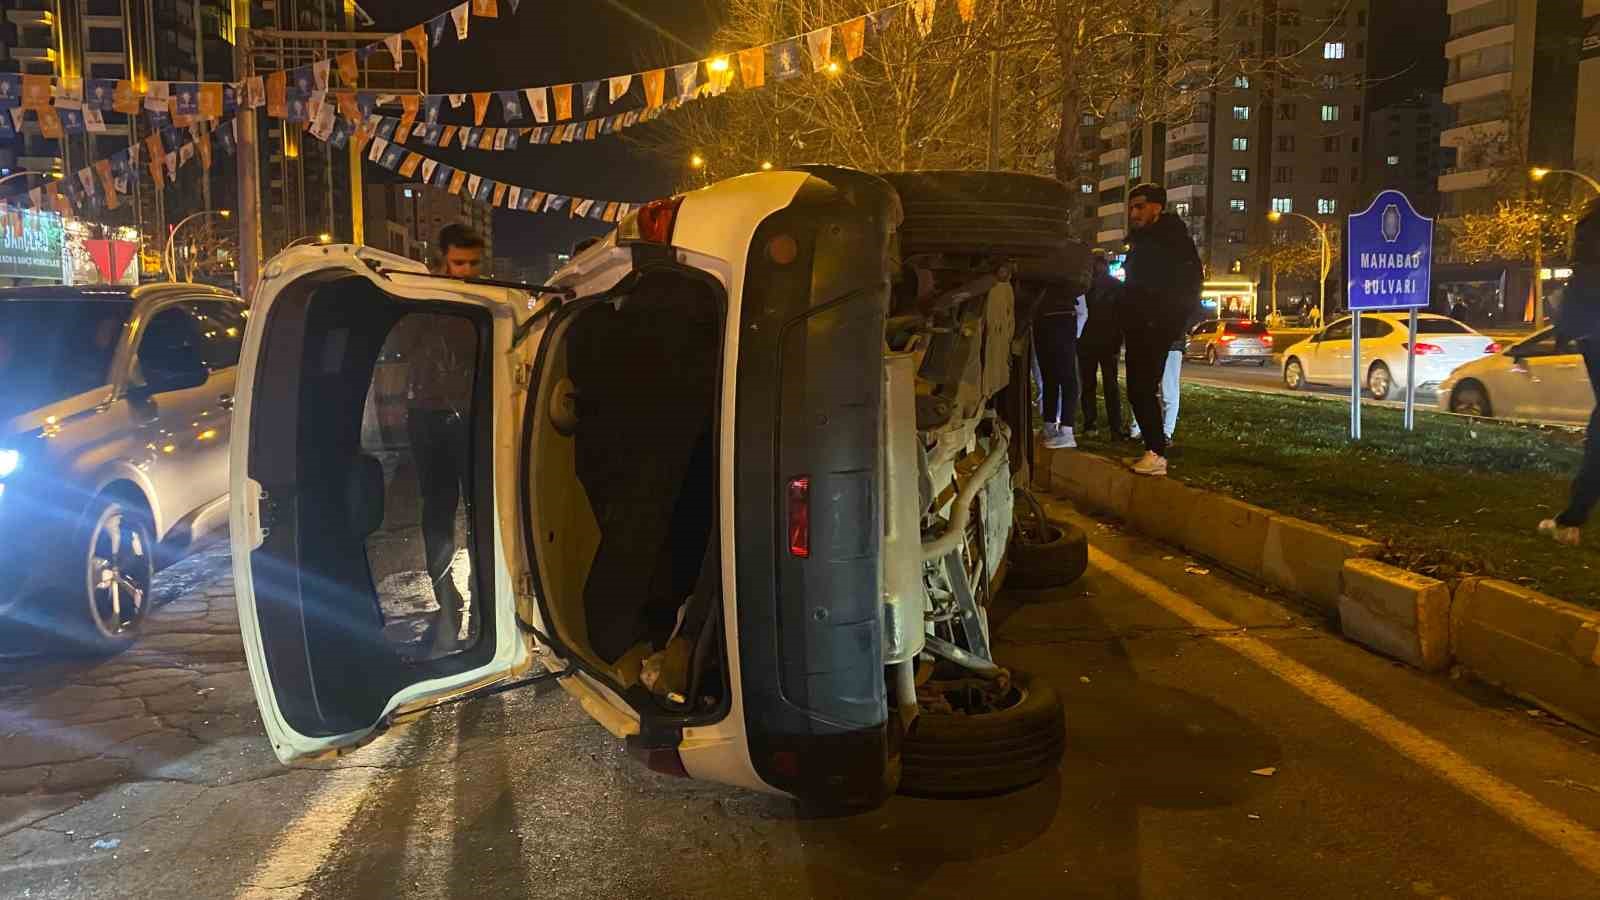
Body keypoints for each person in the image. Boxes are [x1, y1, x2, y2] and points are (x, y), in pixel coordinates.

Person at [1118, 183, 1203, 477]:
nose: (1134, 213)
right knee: (1137, 390)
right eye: (1131, 208)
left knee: (1142, 388)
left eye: (1140, 206)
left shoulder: (1172, 241)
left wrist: (1166, 321)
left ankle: (1157, 453)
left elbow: (1188, 285)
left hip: (1155, 326)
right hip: (1140, 325)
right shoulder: (1144, 241)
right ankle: (1153, 450)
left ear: (1157, 206)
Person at [1540, 199, 1600, 546]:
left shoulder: (1592, 226)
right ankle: (1574, 516)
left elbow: (1586, 276)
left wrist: (1566, 330)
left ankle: (1573, 518)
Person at [1078, 250, 1126, 436]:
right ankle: (1115, 427)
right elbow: (1122, 318)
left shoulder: (1084, 286)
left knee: (1089, 385)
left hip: (1088, 342)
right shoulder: (1116, 287)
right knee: (1110, 386)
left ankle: (1091, 424)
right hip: (1107, 343)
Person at [1036, 279, 1087, 449]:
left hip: (1051, 319)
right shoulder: (1068, 275)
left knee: (1063, 379)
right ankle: (1053, 427)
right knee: (1053, 378)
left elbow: (1082, 310)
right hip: (1055, 319)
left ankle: (1065, 430)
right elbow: (1082, 309)